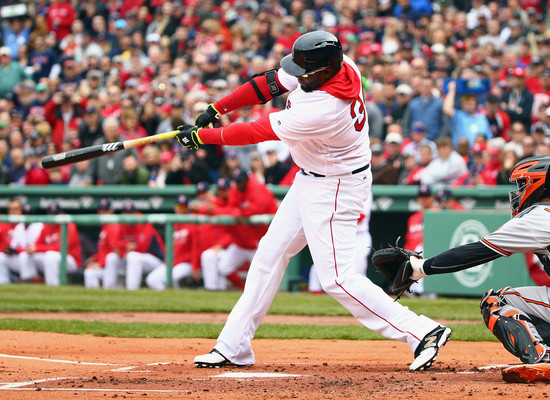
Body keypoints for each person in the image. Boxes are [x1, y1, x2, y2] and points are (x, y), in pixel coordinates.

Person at [176, 31, 451, 371]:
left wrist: (203, 137)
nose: (299, 76)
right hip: (311, 178)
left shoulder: (325, 108)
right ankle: (234, 347)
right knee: (269, 255)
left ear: (325, 70)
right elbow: (268, 84)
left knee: (336, 279)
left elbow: (256, 131)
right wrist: (218, 107)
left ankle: (423, 330)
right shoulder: (337, 65)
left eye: (306, 72)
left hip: (335, 186)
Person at [378, 155, 550, 383]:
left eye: (522, 184)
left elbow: (478, 250)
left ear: (538, 184)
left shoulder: (539, 216)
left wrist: (421, 267)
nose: (519, 191)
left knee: (497, 300)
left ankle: (545, 357)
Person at [18, 202, 82, 286]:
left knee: (50, 256)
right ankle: (31, 284)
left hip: (70, 260)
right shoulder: (47, 226)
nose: (53, 216)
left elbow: (61, 247)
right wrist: (27, 249)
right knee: (25, 256)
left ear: (62, 214)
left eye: (56, 213)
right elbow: (37, 244)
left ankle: (53, 286)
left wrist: (37, 248)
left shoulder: (69, 226)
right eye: (51, 213)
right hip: (53, 257)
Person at [146, 195, 200, 290]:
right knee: (151, 280)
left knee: (172, 278)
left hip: (186, 263)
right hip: (172, 262)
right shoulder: (173, 223)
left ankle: (176, 297)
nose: (180, 209)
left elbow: (196, 247)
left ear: (187, 208)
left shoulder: (192, 222)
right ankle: (169, 297)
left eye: (183, 206)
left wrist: (195, 267)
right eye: (178, 206)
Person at [83, 198, 124, 289]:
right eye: (100, 210)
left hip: (118, 266)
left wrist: (99, 264)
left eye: (105, 210)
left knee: (111, 257)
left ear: (111, 211)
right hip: (107, 265)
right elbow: (105, 250)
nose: (102, 212)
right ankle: (94, 299)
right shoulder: (105, 226)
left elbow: (114, 251)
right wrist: (95, 258)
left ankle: (108, 288)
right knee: (89, 273)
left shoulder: (114, 226)